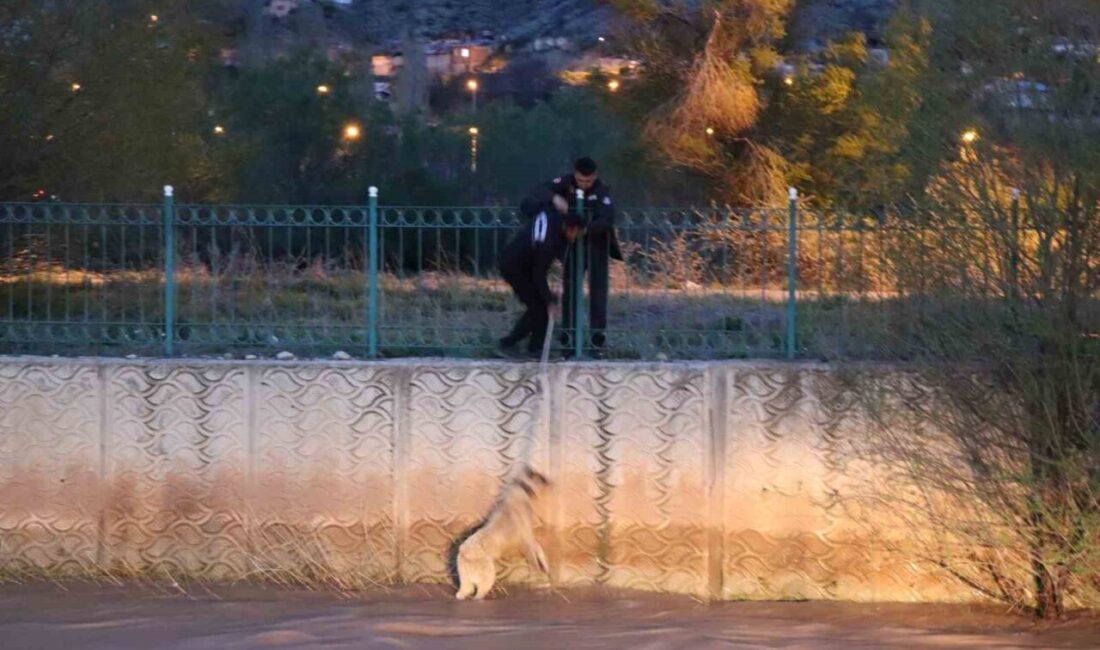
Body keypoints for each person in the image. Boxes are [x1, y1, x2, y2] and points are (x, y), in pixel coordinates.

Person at [522, 157, 622, 358]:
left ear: (595, 176)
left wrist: (585, 229)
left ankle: (596, 344)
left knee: (598, 294)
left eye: (588, 181)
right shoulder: (565, 182)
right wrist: (555, 198)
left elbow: (607, 219)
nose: (584, 185)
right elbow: (542, 190)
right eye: (580, 180)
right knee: (570, 294)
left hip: (596, 247)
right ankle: (568, 342)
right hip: (571, 248)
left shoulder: (602, 190)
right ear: (574, 174)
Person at [496, 202, 586, 359]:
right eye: (576, 235)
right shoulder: (548, 240)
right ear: (570, 229)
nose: (575, 239)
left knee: (541, 306)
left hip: (526, 266)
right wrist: (550, 300)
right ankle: (507, 344)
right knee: (539, 307)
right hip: (515, 267)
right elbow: (538, 273)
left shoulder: (557, 222)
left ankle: (535, 349)